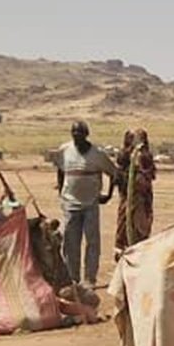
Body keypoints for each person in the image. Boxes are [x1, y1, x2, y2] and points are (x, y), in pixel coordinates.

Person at [53, 120, 118, 286]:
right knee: (70, 242)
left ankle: (90, 278)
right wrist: (61, 191)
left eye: (80, 132)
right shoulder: (64, 150)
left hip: (90, 204)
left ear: (86, 134)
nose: (76, 135)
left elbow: (114, 173)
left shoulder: (97, 154)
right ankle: (72, 278)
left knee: (92, 242)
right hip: (70, 204)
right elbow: (60, 171)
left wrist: (108, 195)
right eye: (74, 132)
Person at [114, 127, 155, 253]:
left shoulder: (146, 156)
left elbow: (150, 174)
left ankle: (140, 246)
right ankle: (121, 247)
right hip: (128, 197)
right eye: (134, 139)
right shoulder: (123, 156)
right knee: (125, 220)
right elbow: (118, 174)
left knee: (141, 224)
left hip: (142, 199)